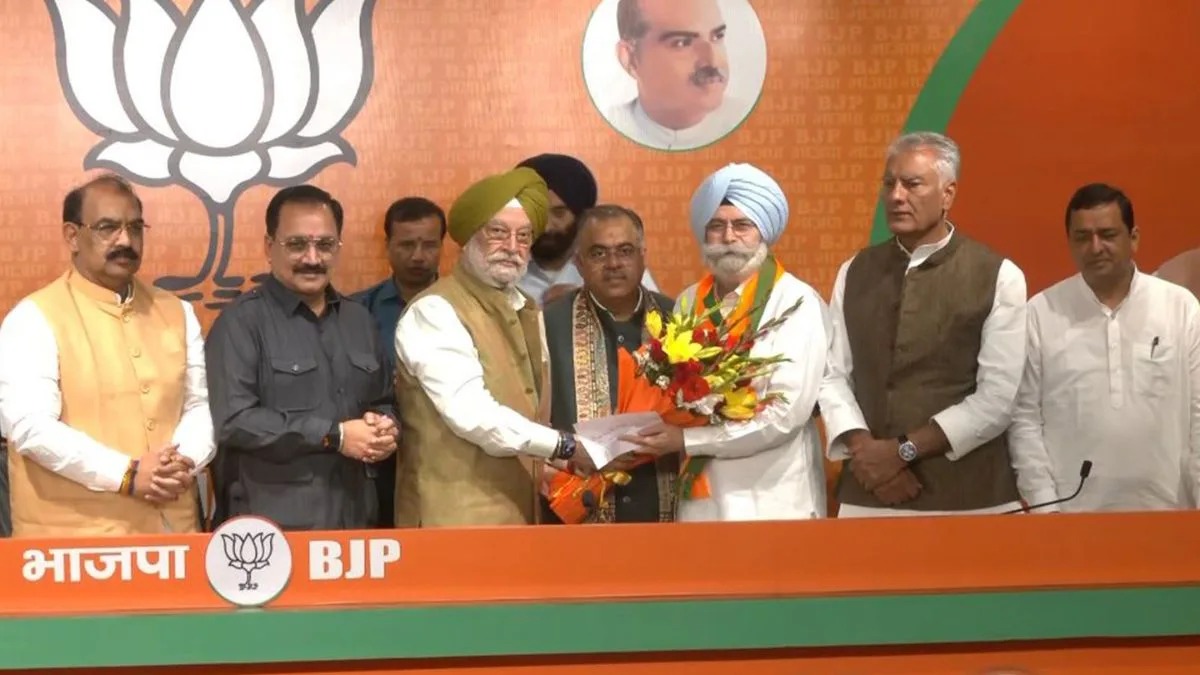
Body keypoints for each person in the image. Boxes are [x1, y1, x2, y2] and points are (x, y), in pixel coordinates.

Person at [818, 131, 1028, 518]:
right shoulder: (855, 270)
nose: (896, 196)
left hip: (970, 498)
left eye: (912, 184)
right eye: (889, 184)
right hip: (870, 495)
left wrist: (901, 452)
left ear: (948, 194)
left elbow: (997, 399)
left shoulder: (998, 275)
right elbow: (832, 376)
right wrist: (867, 454)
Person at [0, 173, 213, 537]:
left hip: (172, 535)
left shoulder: (177, 312)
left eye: (135, 228)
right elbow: (30, 427)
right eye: (107, 228)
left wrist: (182, 462)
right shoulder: (34, 318)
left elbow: (199, 406)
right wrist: (128, 474)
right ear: (72, 236)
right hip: (73, 544)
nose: (125, 241)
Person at [622, 163, 830, 521]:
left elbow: (786, 416)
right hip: (702, 499)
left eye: (742, 225)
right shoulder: (689, 300)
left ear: (764, 231)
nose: (729, 237)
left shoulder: (796, 302)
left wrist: (686, 441)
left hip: (774, 500)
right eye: (716, 226)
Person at [394, 167, 596, 527]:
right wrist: (565, 446)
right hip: (453, 523)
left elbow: (529, 414)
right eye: (498, 233)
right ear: (469, 237)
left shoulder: (526, 309)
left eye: (524, 237)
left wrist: (559, 461)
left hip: (518, 516)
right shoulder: (435, 310)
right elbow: (473, 415)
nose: (512, 248)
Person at [205, 185, 399, 531]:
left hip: (358, 522)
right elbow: (234, 420)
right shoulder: (240, 323)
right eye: (296, 244)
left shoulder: (359, 320)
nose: (312, 258)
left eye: (325, 245)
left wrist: (386, 428)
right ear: (269, 247)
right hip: (272, 532)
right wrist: (334, 435)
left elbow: (384, 399)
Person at [1009, 184, 1200, 511]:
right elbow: (1024, 420)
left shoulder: (1180, 307)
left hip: (1170, 511)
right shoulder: (1041, 312)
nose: (1095, 247)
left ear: (1134, 238)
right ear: (1069, 242)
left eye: (1108, 235)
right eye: (1082, 237)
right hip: (1073, 514)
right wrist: (1045, 507)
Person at [542, 204, 677, 523]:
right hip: (575, 516)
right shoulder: (547, 326)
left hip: (668, 512)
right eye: (599, 253)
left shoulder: (679, 320)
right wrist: (566, 459)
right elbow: (528, 424)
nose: (614, 263)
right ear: (579, 262)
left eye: (625, 251)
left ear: (643, 256)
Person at [350, 196, 445, 527]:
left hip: (446, 455)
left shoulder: (464, 310)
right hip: (378, 459)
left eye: (429, 245)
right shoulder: (357, 312)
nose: (418, 256)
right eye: (406, 245)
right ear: (387, 246)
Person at [514, 153, 658, 305]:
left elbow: (658, 317)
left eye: (559, 213)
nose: (546, 226)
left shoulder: (618, 268)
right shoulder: (502, 268)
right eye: (535, 212)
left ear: (580, 216)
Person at [607, 0, 748, 151]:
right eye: (682, 43)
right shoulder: (606, 130)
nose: (713, 61)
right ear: (630, 58)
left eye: (717, 36)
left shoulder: (748, 124)